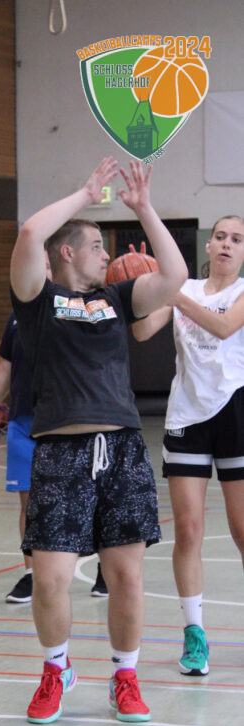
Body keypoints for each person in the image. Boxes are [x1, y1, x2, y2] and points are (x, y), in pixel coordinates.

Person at [9, 157, 187, 724]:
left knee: (126, 576)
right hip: (60, 452)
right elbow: (30, 232)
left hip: (121, 449)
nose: (105, 255)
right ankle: (56, 669)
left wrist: (145, 208)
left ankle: (125, 676)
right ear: (67, 252)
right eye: (95, 246)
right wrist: (86, 193)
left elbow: (175, 277)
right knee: (50, 579)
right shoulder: (37, 299)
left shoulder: (117, 299)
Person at [132, 215, 244, 675]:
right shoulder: (186, 289)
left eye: (237, 239)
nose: (227, 244)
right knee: (189, 530)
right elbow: (141, 331)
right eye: (221, 236)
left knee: (242, 531)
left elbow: (224, 328)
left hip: (235, 413)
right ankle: (194, 634)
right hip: (186, 419)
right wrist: (142, 283)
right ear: (208, 245)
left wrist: (172, 291)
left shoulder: (238, 293)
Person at [0, 310, 108, 602]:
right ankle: (31, 574)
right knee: (29, 503)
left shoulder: (73, 309)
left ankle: (106, 566)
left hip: (68, 419)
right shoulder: (16, 317)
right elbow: (4, 368)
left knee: (86, 498)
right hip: (23, 422)